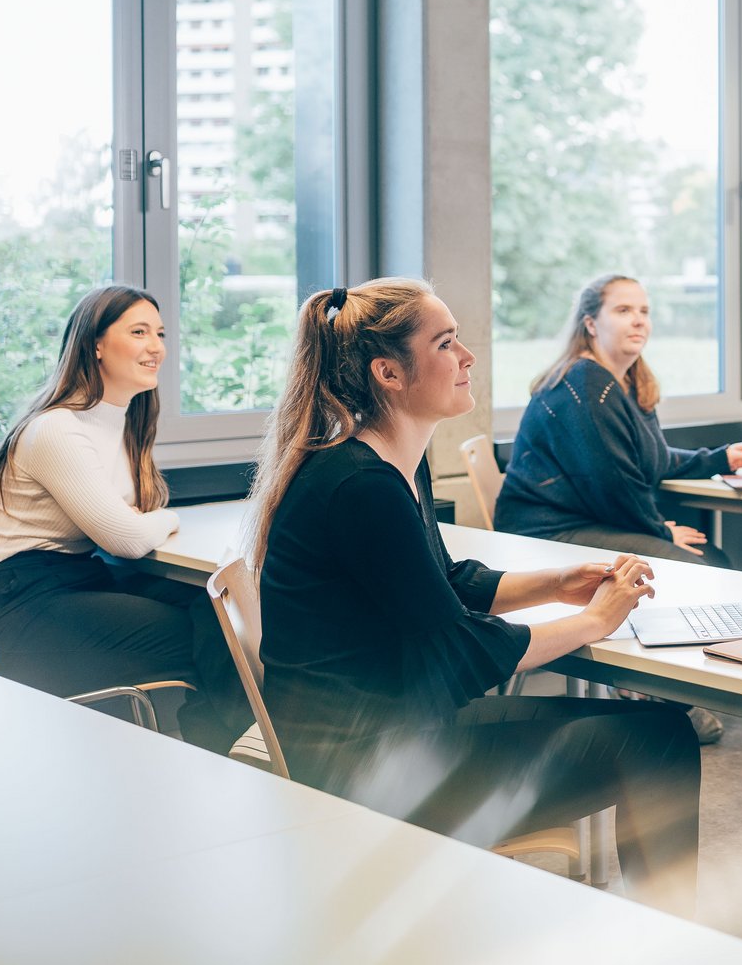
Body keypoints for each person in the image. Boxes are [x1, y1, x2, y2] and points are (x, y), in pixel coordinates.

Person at [249, 278, 700, 915]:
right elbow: (457, 651)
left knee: (653, 729)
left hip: (392, 731)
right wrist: (595, 621)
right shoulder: (361, 487)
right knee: (660, 742)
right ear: (389, 373)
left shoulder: (384, 464)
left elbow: (446, 582)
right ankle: (676, 942)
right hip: (367, 771)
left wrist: (556, 584)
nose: (468, 357)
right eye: (446, 343)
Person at [0, 285, 250, 753]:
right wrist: (168, 518)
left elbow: (132, 522)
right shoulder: (56, 429)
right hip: (24, 603)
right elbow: (126, 536)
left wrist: (151, 520)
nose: (156, 346)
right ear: (94, 344)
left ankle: (231, 743)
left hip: (73, 580)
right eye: (138, 332)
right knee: (217, 634)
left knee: (212, 606)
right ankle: (235, 749)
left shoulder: (118, 418)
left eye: (159, 333)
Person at [494, 274, 742, 569]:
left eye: (644, 311)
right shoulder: (586, 381)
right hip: (547, 532)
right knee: (707, 564)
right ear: (591, 324)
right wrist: (661, 530)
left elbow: (650, 458)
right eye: (623, 311)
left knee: (712, 559)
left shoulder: (628, 380)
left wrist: (720, 459)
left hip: (593, 519)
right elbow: (612, 482)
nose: (638, 320)